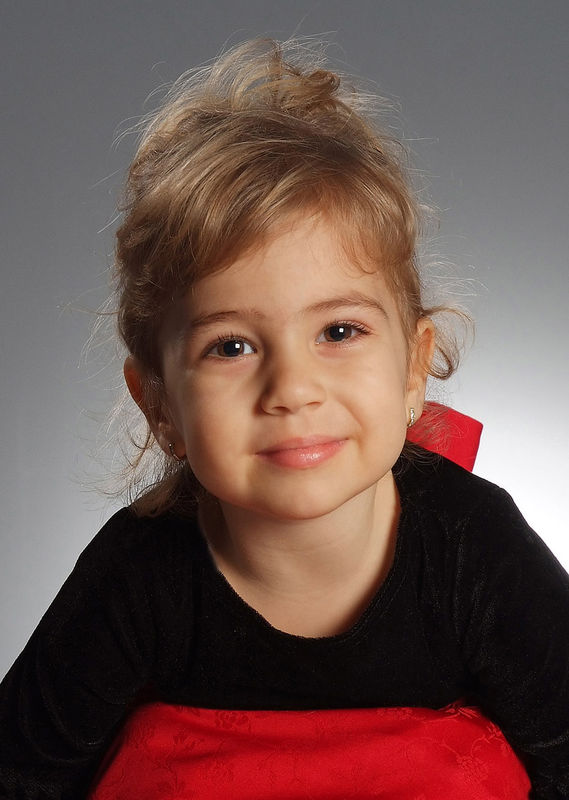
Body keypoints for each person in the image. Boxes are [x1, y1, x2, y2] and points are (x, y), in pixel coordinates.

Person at [1, 38, 568, 799]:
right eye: (230, 346)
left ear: (413, 366)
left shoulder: (472, 545)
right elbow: (22, 775)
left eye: (338, 331)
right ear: (160, 406)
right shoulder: (139, 574)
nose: (292, 390)